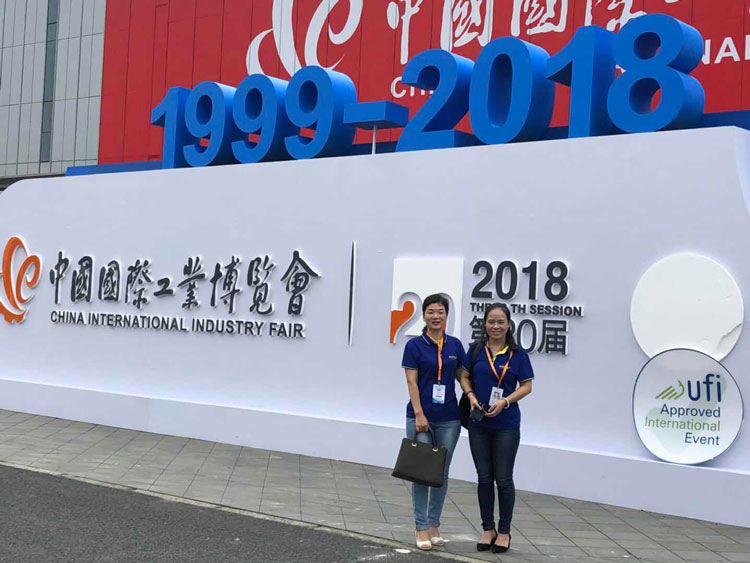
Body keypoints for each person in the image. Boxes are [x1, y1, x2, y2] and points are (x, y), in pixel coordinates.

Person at [459, 303, 534, 554]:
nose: (496, 326)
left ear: (508, 325)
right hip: (478, 423)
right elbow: (464, 376)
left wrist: (505, 402)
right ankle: (487, 529)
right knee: (483, 477)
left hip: (506, 425)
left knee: (503, 479)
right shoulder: (476, 350)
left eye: (500, 322)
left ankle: (504, 531)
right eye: (491, 321)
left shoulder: (517, 354)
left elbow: (527, 386)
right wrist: (470, 395)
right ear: (485, 324)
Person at [402, 294, 465, 551]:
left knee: (441, 473)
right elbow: (411, 382)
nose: (435, 316)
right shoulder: (414, 345)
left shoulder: (455, 346)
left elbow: (463, 377)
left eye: (440, 311)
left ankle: (434, 524)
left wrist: (473, 396)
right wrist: (419, 414)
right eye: (431, 311)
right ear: (424, 315)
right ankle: (420, 526)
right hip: (421, 418)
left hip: (449, 418)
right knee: (421, 473)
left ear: (446, 315)